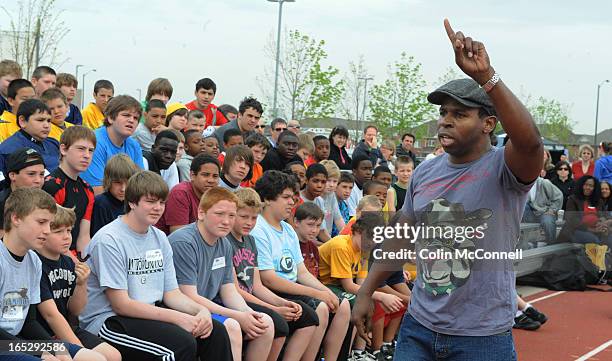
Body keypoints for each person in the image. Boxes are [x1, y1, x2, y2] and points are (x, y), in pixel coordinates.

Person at [352, 20, 544, 361]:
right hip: (420, 328)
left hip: (482, 337)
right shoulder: (425, 171)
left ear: (488, 123)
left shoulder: (505, 167)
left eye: (460, 113)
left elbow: (530, 142)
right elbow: (401, 236)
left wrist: (488, 77)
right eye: (442, 113)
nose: (445, 120)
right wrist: (367, 290)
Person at [79, 171, 233, 361]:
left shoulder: (159, 237)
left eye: (161, 202)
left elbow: (171, 293)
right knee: (178, 345)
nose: (158, 208)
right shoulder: (109, 240)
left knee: (215, 332)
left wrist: (200, 311)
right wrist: (179, 318)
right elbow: (121, 305)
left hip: (147, 314)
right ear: (133, 202)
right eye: (150, 202)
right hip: (108, 321)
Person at [252, 170, 351, 361]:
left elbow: (302, 272)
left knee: (339, 302)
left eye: (294, 197)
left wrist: (325, 291)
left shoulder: (288, 229)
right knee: (320, 307)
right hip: (273, 291)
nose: (292, 202)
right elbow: (269, 279)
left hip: (293, 287)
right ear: (267, 199)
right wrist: (317, 294)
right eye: (286, 197)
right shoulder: (259, 229)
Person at [169, 187, 276, 361]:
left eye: (232, 216)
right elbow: (188, 296)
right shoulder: (184, 242)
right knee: (232, 326)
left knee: (264, 323)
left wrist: (247, 313)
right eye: (219, 214)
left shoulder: (224, 244)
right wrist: (239, 316)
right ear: (201, 213)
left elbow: (229, 290)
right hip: (184, 308)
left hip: (208, 305)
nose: (226, 221)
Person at [229, 188, 318, 361]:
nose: (249, 222)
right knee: (278, 325)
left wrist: (284, 303)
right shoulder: (226, 242)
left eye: (254, 218)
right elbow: (235, 291)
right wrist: (275, 309)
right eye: (244, 217)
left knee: (308, 317)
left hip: (250, 296)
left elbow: (257, 286)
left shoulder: (250, 240)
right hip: (235, 300)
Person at [0, 188, 89, 361]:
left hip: (16, 341)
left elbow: (29, 321)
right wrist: (37, 351)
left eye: (49, 224)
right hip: (5, 345)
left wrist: (53, 348)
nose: (47, 230)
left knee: (91, 358)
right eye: (41, 222)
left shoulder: (33, 260)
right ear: (16, 218)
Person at [36, 205, 121, 361]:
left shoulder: (68, 263)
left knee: (113, 355)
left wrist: (81, 285)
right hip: (42, 333)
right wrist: (80, 350)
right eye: (58, 232)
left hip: (67, 326)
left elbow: (76, 310)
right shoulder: (36, 263)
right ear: (43, 233)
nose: (66, 237)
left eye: (68, 231)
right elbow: (50, 315)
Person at [318, 212, 406, 361]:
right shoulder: (341, 245)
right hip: (324, 284)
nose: (372, 242)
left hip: (338, 286)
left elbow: (361, 283)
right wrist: (382, 295)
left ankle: (358, 352)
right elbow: (349, 286)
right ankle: (334, 356)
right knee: (356, 303)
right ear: (358, 231)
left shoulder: (364, 250)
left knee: (367, 302)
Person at [43, 126, 96, 253]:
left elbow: (83, 236)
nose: (87, 155)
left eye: (91, 150)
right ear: (63, 149)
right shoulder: (51, 186)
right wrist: (76, 264)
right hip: (52, 254)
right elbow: (48, 236)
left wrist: (84, 261)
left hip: (73, 256)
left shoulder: (87, 189)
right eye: (81, 149)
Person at [81, 95, 145, 194]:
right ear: (110, 118)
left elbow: (141, 185)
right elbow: (97, 191)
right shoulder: (94, 142)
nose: (131, 120)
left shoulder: (134, 145)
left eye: (136, 118)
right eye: (126, 115)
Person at [156, 154, 220, 234]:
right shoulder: (180, 193)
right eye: (205, 175)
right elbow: (179, 235)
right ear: (192, 175)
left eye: (215, 176)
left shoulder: (215, 196)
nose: (211, 180)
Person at [0, 99, 60, 176]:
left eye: (48, 121)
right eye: (40, 120)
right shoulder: (7, 149)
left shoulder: (54, 143)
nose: (46, 125)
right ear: (22, 121)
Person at [0, 148, 46, 239]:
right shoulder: (2, 204)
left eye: (41, 174)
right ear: (12, 175)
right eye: (31, 174)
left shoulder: (46, 202)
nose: (38, 180)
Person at [90, 154, 139, 236]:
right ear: (108, 181)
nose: (123, 189)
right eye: (118, 183)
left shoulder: (134, 202)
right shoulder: (101, 203)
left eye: (127, 183)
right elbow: (99, 236)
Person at [557, 175, 611, 247]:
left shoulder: (599, 201)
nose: (588, 187)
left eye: (591, 186)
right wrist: (592, 230)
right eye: (586, 185)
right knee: (594, 240)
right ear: (581, 185)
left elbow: (607, 216)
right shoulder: (573, 199)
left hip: (598, 229)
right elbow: (571, 220)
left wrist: (605, 223)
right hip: (577, 230)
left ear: (595, 188)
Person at [523, 176, 563, 246]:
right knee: (524, 207)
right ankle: (529, 243)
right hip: (532, 212)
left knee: (547, 221)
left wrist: (552, 209)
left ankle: (551, 245)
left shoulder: (544, 183)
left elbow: (559, 196)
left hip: (546, 211)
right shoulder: (522, 183)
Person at [300, 164, 331, 243]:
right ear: (306, 180)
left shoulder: (320, 201)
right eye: (315, 181)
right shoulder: (298, 200)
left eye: (323, 182)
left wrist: (333, 244)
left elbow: (321, 231)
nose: (319, 185)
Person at [319, 160, 346, 238]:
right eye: (328, 181)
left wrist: (346, 237)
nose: (331, 185)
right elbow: (321, 230)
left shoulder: (331, 195)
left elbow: (338, 219)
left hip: (327, 237)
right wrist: (332, 243)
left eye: (335, 181)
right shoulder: (316, 198)